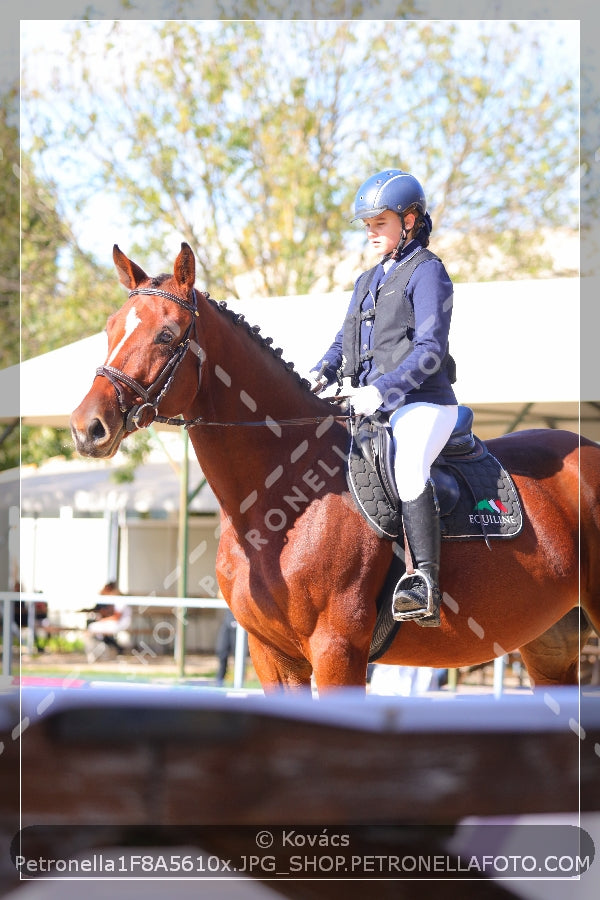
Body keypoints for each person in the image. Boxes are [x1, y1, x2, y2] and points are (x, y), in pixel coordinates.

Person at [309, 169, 458, 627]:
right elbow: (344, 340)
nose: (371, 232)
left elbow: (431, 350)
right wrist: (321, 370)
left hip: (423, 404)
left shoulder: (428, 272)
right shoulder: (366, 281)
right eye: (368, 225)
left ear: (410, 220)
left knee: (409, 463)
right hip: (371, 404)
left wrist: (384, 389)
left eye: (380, 223)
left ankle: (425, 582)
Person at [84, 581, 133, 662]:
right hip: (117, 623)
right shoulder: (116, 600)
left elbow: (116, 618)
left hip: (120, 624)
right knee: (94, 630)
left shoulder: (119, 600)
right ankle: (103, 651)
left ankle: (96, 653)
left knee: (91, 628)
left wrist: (103, 620)